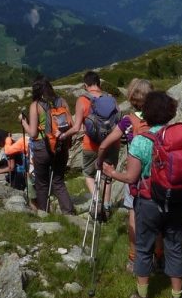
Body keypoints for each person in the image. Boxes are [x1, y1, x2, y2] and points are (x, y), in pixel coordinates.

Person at [103, 91, 182, 298]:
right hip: (178, 201)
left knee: (143, 248)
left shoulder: (140, 141)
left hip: (149, 201)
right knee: (175, 247)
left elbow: (131, 178)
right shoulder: (180, 138)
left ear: (147, 114)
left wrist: (112, 172)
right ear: (170, 113)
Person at [96, 78, 164, 272]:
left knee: (134, 214)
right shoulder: (160, 119)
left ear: (132, 98)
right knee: (158, 217)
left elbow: (105, 144)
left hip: (134, 176)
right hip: (158, 175)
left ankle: (134, 258)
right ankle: (159, 256)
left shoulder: (128, 121)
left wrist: (100, 162)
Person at [63, 71, 120, 220]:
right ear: (99, 84)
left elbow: (76, 128)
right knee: (108, 175)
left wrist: (63, 135)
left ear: (85, 85)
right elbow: (118, 121)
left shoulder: (82, 100)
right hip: (112, 143)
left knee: (88, 174)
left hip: (92, 145)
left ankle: (97, 200)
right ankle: (107, 207)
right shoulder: (111, 99)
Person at [26, 76, 75, 214]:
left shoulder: (35, 105)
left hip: (43, 147)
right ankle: (69, 212)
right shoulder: (62, 101)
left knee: (42, 183)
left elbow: (33, 133)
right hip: (61, 144)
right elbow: (70, 124)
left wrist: (24, 122)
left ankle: (44, 213)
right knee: (58, 181)